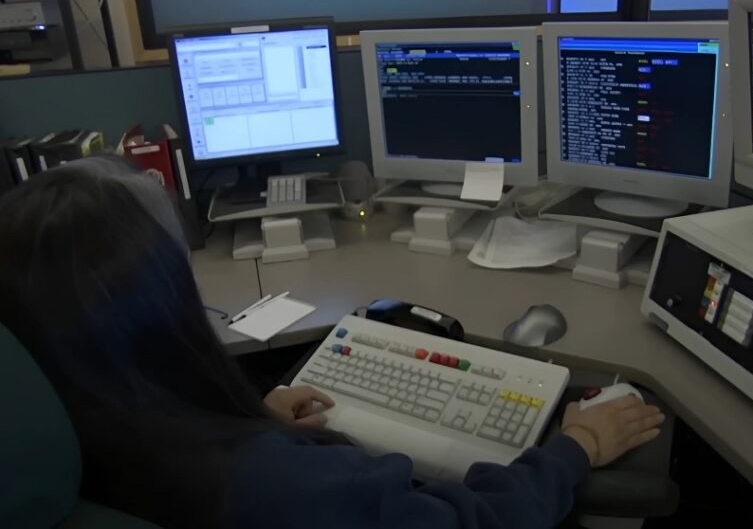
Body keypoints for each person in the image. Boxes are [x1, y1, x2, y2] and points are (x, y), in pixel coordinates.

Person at [0, 156, 665, 529]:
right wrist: (577, 447)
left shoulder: (56, 443)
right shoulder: (284, 486)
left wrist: (244, 417)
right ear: (163, 308)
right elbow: (477, 523)